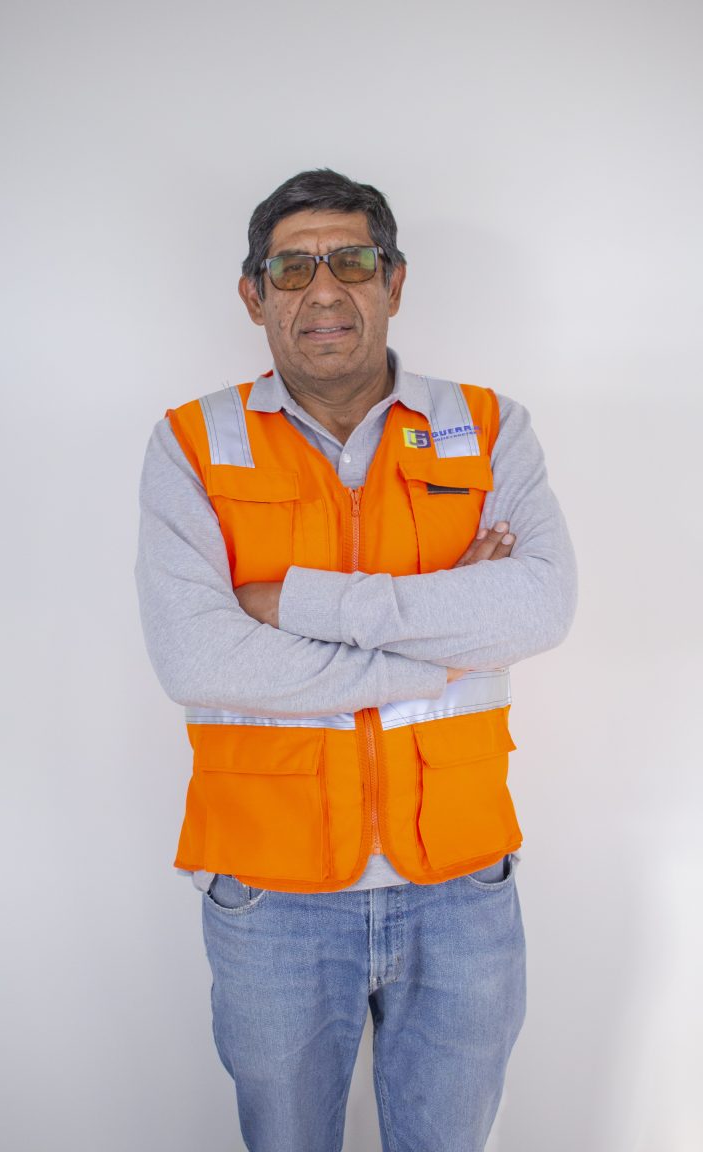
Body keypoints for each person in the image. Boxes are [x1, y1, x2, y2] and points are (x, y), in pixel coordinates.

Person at [135, 168, 577, 1152]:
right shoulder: (192, 443)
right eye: (293, 268)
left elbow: (541, 605)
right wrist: (444, 648)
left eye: (352, 260)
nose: (324, 288)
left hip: (460, 883)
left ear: (394, 281)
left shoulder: (489, 426)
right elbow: (198, 658)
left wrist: (296, 602)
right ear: (254, 296)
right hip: (269, 892)